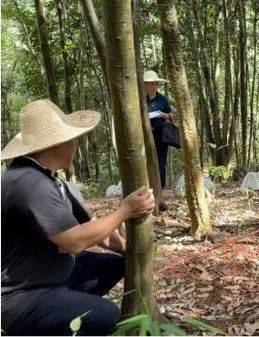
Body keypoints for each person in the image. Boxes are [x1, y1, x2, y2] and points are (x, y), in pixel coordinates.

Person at [1, 99, 155, 335]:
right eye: (71, 139)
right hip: (21, 299)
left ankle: (65, 314)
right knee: (109, 316)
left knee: (120, 264)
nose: (74, 145)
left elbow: (92, 229)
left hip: (52, 278)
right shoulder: (27, 183)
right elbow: (73, 241)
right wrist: (125, 211)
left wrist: (126, 248)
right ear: (55, 144)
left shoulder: (52, 181)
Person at [143, 70, 174, 188]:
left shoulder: (163, 99)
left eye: (153, 83)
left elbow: (171, 116)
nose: (151, 86)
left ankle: (161, 187)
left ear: (157, 85)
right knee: (147, 160)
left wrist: (163, 115)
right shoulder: (141, 99)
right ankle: (148, 187)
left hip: (161, 135)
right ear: (144, 85)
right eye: (148, 83)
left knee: (161, 159)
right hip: (145, 135)